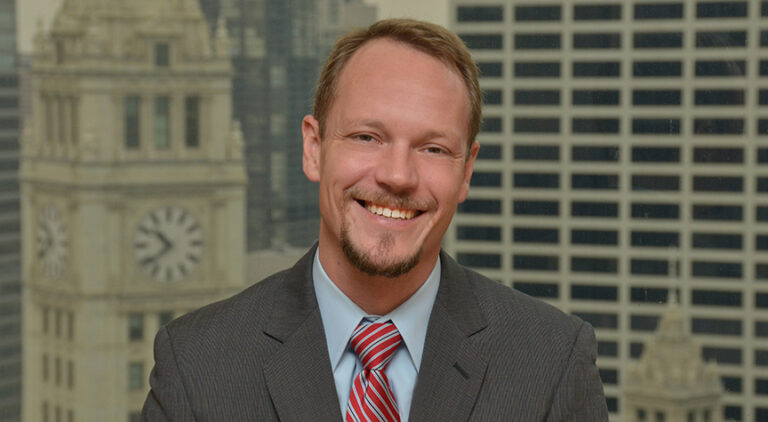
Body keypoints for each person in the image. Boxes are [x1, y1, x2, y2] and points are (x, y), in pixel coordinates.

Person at [142, 18, 608, 421]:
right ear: (313, 149)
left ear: (466, 172)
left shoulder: (552, 364)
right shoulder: (197, 366)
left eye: (433, 148)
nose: (398, 176)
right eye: (367, 137)